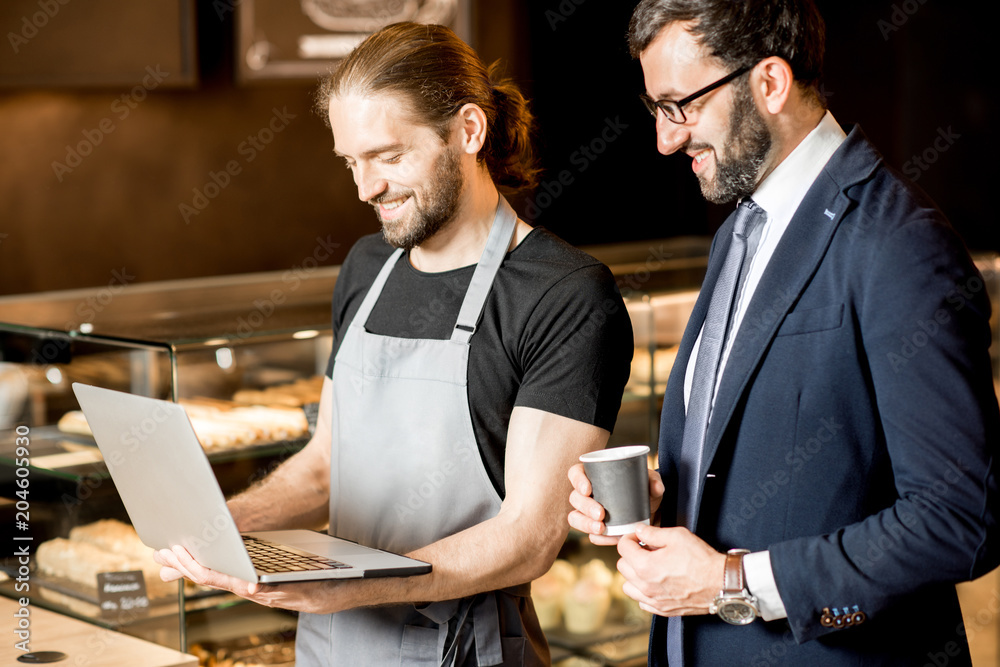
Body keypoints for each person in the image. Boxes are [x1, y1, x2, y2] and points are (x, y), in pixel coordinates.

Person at [155, 22, 632, 666]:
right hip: (330, 644)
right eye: (352, 161)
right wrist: (223, 525)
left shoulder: (563, 295)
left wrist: (347, 584)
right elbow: (327, 464)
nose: (365, 188)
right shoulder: (365, 268)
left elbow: (529, 537)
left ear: (468, 131)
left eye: (388, 156)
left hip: (461, 648)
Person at [568, 1, 999, 664]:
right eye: (656, 108)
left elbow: (959, 520)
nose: (665, 138)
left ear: (769, 82)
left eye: (680, 104)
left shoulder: (899, 243)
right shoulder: (737, 232)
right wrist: (662, 498)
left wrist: (732, 583)